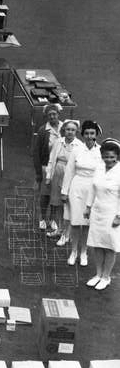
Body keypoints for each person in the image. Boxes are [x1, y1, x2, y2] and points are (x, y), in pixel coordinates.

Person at [61, 120, 103, 266]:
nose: (89, 136)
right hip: (77, 187)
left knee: (86, 223)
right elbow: (69, 171)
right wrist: (64, 192)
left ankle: (84, 252)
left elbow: (103, 173)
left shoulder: (101, 151)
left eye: (92, 133)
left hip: (93, 189)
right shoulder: (76, 149)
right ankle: (73, 252)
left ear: (96, 134)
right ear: (83, 134)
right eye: (86, 133)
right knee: (74, 222)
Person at [84, 139, 120, 291]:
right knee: (97, 244)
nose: (109, 160)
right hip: (97, 211)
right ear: (102, 156)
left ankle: (106, 277)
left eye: (112, 157)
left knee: (110, 246)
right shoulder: (99, 168)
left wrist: (119, 216)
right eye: (106, 156)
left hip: (112, 213)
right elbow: (93, 188)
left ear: (117, 157)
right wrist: (88, 207)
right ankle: (98, 274)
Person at [45, 119, 82, 241]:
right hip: (58, 173)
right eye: (68, 129)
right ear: (64, 130)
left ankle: (66, 234)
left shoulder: (79, 145)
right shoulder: (58, 142)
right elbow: (51, 159)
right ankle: (59, 229)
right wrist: (48, 176)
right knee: (57, 204)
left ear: (76, 131)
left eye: (73, 130)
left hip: (71, 176)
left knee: (68, 205)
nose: (70, 132)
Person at [33, 104, 63, 232]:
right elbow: (36, 152)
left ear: (58, 114)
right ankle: (42, 218)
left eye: (54, 114)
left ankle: (53, 219)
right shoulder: (42, 130)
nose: (52, 116)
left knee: (56, 195)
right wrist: (39, 173)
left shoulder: (65, 128)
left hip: (60, 168)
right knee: (45, 195)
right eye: (49, 114)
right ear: (47, 116)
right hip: (46, 167)